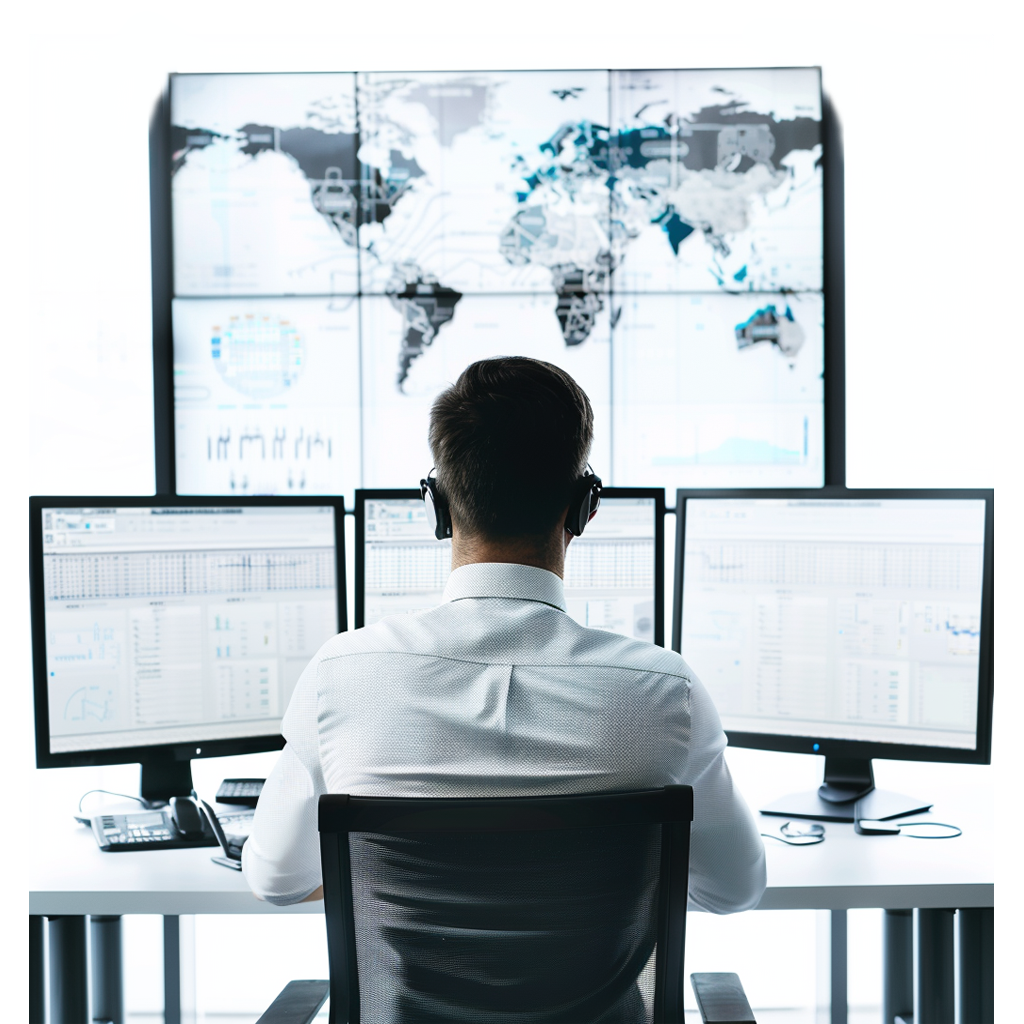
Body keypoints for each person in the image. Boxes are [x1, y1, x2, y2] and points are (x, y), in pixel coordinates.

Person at [242, 356, 766, 917]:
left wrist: (381, 878)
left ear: (437, 507)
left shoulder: (341, 678)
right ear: (585, 508)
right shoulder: (665, 693)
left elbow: (277, 879)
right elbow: (733, 890)